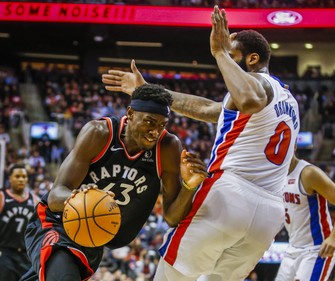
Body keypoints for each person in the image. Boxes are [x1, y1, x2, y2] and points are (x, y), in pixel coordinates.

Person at [102, 6, 300, 280]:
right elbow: (208, 110)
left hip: (231, 196)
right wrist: (147, 91)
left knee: (171, 276)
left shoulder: (257, 84)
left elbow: (249, 100)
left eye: (233, 55)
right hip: (269, 216)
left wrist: (219, 52)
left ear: (252, 59)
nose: (224, 61)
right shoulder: (287, 99)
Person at [20, 83, 208, 281]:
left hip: (92, 239)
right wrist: (82, 198)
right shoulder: (99, 133)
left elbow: (171, 217)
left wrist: (190, 186)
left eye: (162, 125)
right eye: (150, 122)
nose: (155, 132)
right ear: (131, 113)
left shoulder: (168, 147)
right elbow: (55, 196)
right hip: (56, 224)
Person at [274, 152, 335, 281]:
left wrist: (334, 238)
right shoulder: (276, 176)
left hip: (316, 250)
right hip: (292, 248)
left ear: (293, 146)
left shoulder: (308, 173)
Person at [0, 163, 39, 281]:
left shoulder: (35, 200)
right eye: (17, 176)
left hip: (26, 257)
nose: (21, 179)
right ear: (10, 179)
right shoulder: (2, 197)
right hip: (5, 253)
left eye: (24, 176)